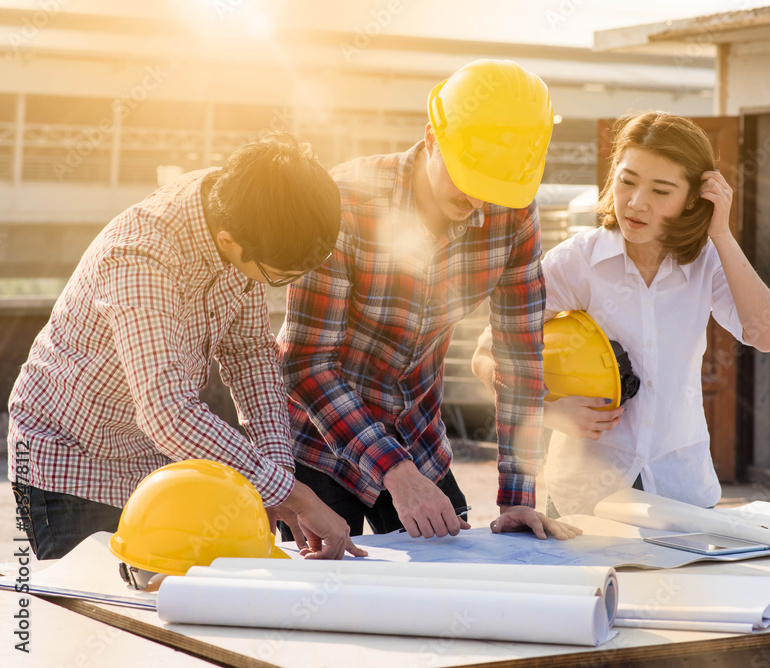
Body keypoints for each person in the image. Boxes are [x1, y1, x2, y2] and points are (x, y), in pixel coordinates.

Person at [8, 133, 366, 561]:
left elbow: (250, 354)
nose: (281, 285)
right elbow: (167, 412)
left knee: (172, 604)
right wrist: (300, 496)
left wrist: (278, 481)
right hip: (69, 462)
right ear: (230, 241)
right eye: (278, 276)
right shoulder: (140, 257)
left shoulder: (242, 209)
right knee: (95, 612)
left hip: (152, 465)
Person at [278, 59, 580, 541]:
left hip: (417, 433)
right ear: (432, 138)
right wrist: (395, 472)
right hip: (320, 442)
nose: (481, 201)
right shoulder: (345, 202)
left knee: (449, 590)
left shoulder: (514, 213)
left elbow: (520, 358)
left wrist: (518, 496)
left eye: (494, 189)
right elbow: (306, 362)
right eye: (470, 178)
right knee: (329, 601)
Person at [472, 112, 770, 516]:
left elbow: (767, 334)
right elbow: (486, 354)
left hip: (681, 488)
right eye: (627, 181)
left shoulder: (708, 261)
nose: (637, 203)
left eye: (661, 190)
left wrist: (720, 233)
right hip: (585, 498)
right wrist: (548, 412)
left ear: (693, 198)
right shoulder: (576, 263)